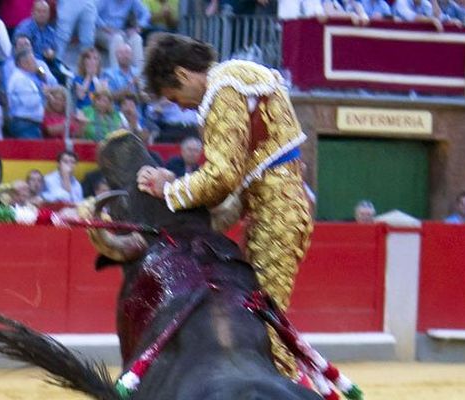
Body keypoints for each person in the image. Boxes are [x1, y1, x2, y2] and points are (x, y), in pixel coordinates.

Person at [136, 33, 312, 376]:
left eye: (175, 97)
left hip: (276, 217)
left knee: (265, 325)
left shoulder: (223, 89)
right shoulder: (236, 81)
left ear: (184, 75)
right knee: (259, 317)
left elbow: (222, 176)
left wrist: (170, 189)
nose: (181, 108)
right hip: (276, 210)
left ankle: (283, 390)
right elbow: (240, 189)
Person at [95, 0, 150, 71]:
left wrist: (138, 27)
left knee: (136, 38)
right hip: (101, 30)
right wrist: (104, 27)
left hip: (120, 31)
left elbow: (146, 13)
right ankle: (116, 75)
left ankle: (138, 75)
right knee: (117, 39)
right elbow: (93, 13)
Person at [6, 49, 46, 139]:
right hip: (25, 124)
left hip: (30, 124)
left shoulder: (27, 77)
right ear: (23, 63)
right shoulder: (20, 79)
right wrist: (43, 93)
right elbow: (30, 102)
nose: (36, 64)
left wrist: (42, 75)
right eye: (33, 61)